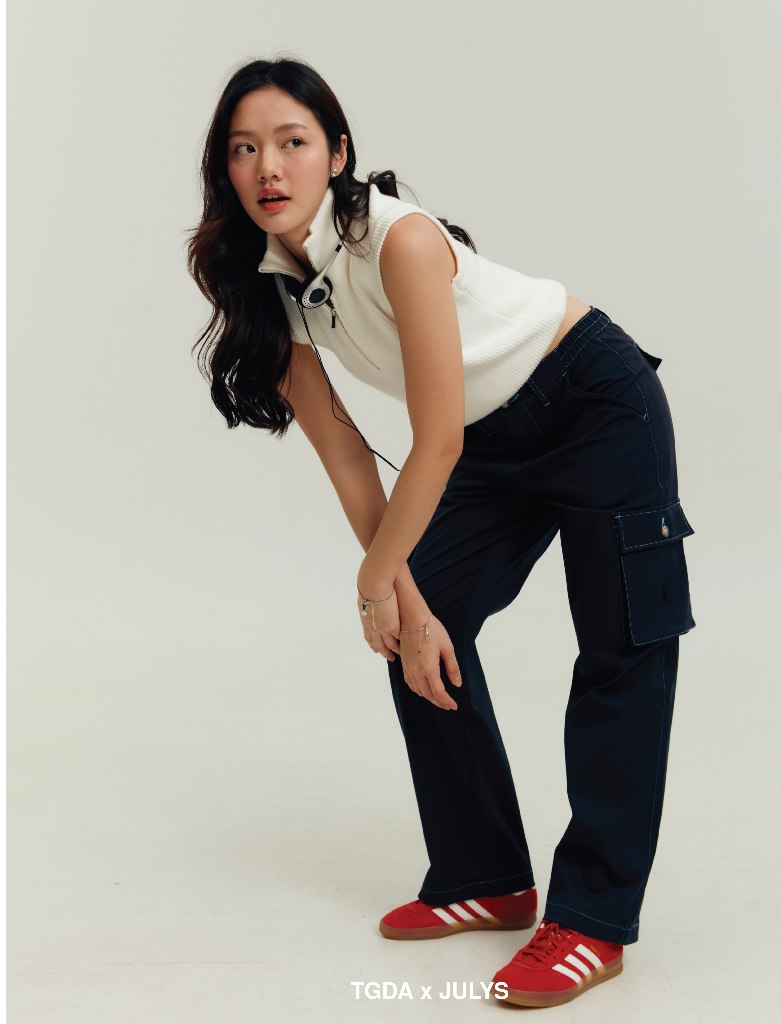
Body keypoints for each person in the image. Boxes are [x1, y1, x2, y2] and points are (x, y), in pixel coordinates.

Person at [188, 56, 696, 1010]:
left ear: (338, 153)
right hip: (491, 440)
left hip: (593, 401)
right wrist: (401, 599)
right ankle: (485, 875)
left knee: (623, 648)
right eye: (245, 149)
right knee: (418, 630)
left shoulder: (402, 240)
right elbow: (348, 456)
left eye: (293, 142)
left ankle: (592, 920)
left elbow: (435, 440)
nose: (270, 167)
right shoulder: (269, 283)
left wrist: (375, 581)